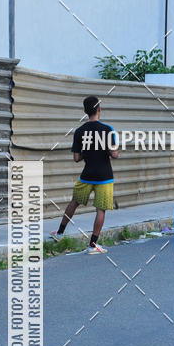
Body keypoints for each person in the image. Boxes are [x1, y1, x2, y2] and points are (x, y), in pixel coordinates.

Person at [50, 96, 118, 254]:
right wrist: (107, 149)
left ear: (85, 111)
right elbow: (114, 154)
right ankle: (92, 245)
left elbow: (76, 158)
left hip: (87, 175)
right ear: (99, 109)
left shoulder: (80, 131)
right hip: (105, 177)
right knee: (101, 210)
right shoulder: (108, 130)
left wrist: (87, 152)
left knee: (74, 202)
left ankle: (59, 233)